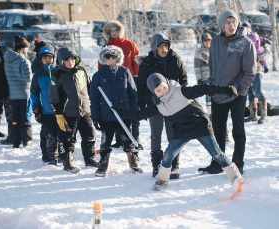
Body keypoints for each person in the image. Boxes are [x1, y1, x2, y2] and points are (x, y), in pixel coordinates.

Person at [126, 73, 241, 191]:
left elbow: (204, 89)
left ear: (166, 82)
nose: (163, 91)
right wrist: (122, 113)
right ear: (154, 92)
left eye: (164, 86)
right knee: (168, 155)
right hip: (182, 129)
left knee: (217, 153)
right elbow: (141, 114)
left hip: (199, 125)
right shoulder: (158, 105)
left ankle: (236, 178)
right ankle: (161, 180)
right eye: (158, 90)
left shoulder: (180, 91)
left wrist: (226, 89)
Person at [198, 10, 256, 175]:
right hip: (218, 92)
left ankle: (238, 163)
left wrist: (240, 91)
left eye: (234, 22)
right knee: (217, 130)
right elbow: (212, 66)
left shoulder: (245, 43)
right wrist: (212, 85)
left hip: (237, 93)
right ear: (221, 25)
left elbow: (250, 72)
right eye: (227, 22)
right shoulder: (215, 41)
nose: (231, 25)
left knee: (238, 130)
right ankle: (218, 163)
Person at [136, 33, 188, 179]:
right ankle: (156, 164)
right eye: (161, 47)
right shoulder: (147, 64)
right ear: (154, 48)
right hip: (155, 104)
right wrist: (141, 103)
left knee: (173, 134)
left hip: (172, 104)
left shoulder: (175, 59)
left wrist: (182, 97)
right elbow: (140, 85)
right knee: (156, 135)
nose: (164, 49)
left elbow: (183, 80)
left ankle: (173, 165)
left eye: (166, 46)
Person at [90, 45, 142, 177]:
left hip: (124, 113)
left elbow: (133, 93)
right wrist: (95, 117)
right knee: (105, 142)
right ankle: (102, 166)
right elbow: (94, 98)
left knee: (127, 140)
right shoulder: (98, 75)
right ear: (103, 58)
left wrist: (134, 112)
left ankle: (133, 163)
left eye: (113, 56)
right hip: (106, 115)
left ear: (118, 58)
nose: (110, 59)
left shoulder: (124, 72)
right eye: (107, 56)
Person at [49, 47, 98, 173]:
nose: (70, 62)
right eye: (67, 60)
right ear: (61, 61)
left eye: (72, 59)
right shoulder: (57, 74)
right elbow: (54, 96)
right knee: (68, 138)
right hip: (68, 113)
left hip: (85, 110)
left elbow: (89, 87)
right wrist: (59, 114)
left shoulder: (81, 71)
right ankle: (68, 162)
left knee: (89, 136)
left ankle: (90, 159)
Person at [102, 20, 143, 150]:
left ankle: (135, 139)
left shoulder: (129, 44)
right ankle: (119, 140)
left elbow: (136, 61)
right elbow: (101, 64)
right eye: (111, 31)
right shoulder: (107, 46)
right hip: (112, 83)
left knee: (133, 109)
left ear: (120, 31)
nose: (114, 33)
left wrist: (136, 76)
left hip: (129, 80)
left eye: (116, 30)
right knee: (115, 110)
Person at [30, 45, 59, 164]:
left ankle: (61, 155)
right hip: (46, 111)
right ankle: (47, 155)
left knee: (60, 135)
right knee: (46, 134)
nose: (47, 60)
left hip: (59, 110)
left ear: (53, 58)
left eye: (50, 57)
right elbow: (34, 93)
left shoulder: (58, 71)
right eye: (45, 58)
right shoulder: (38, 74)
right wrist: (36, 108)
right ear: (41, 59)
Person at [3, 35, 33, 148]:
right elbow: (28, 78)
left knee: (15, 118)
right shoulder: (23, 61)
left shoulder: (7, 59)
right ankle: (26, 139)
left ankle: (16, 141)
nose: (28, 50)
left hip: (13, 93)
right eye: (26, 48)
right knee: (25, 117)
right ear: (21, 48)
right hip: (24, 93)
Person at [243, 22, 270, 124]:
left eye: (247, 28)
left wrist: (261, 61)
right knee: (250, 93)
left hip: (257, 70)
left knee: (258, 92)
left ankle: (264, 115)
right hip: (246, 72)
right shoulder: (242, 40)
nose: (246, 30)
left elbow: (264, 52)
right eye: (244, 29)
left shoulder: (256, 38)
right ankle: (253, 115)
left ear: (250, 28)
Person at [194, 32, 212, 115]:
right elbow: (197, 67)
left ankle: (216, 112)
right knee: (209, 96)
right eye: (205, 40)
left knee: (216, 95)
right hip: (205, 78)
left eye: (209, 40)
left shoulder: (214, 50)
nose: (208, 42)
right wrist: (199, 79)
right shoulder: (199, 52)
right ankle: (210, 113)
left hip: (215, 77)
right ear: (202, 41)